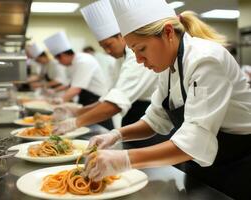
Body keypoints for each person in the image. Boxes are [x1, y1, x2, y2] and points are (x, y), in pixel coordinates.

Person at [83, 0, 251, 199]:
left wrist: (125, 159)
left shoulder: (206, 60)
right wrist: (116, 135)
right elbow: (155, 120)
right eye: (133, 52)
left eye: (141, 49)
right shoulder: (168, 65)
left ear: (169, 33)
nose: (138, 59)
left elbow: (194, 142)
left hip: (237, 163)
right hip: (200, 163)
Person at [52, 0, 164, 149]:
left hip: (151, 122)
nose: (107, 51)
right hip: (135, 119)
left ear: (121, 36)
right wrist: (77, 111)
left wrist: (75, 122)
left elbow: (115, 104)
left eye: (108, 45)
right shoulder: (121, 59)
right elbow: (110, 96)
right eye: (103, 47)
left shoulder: (136, 56)